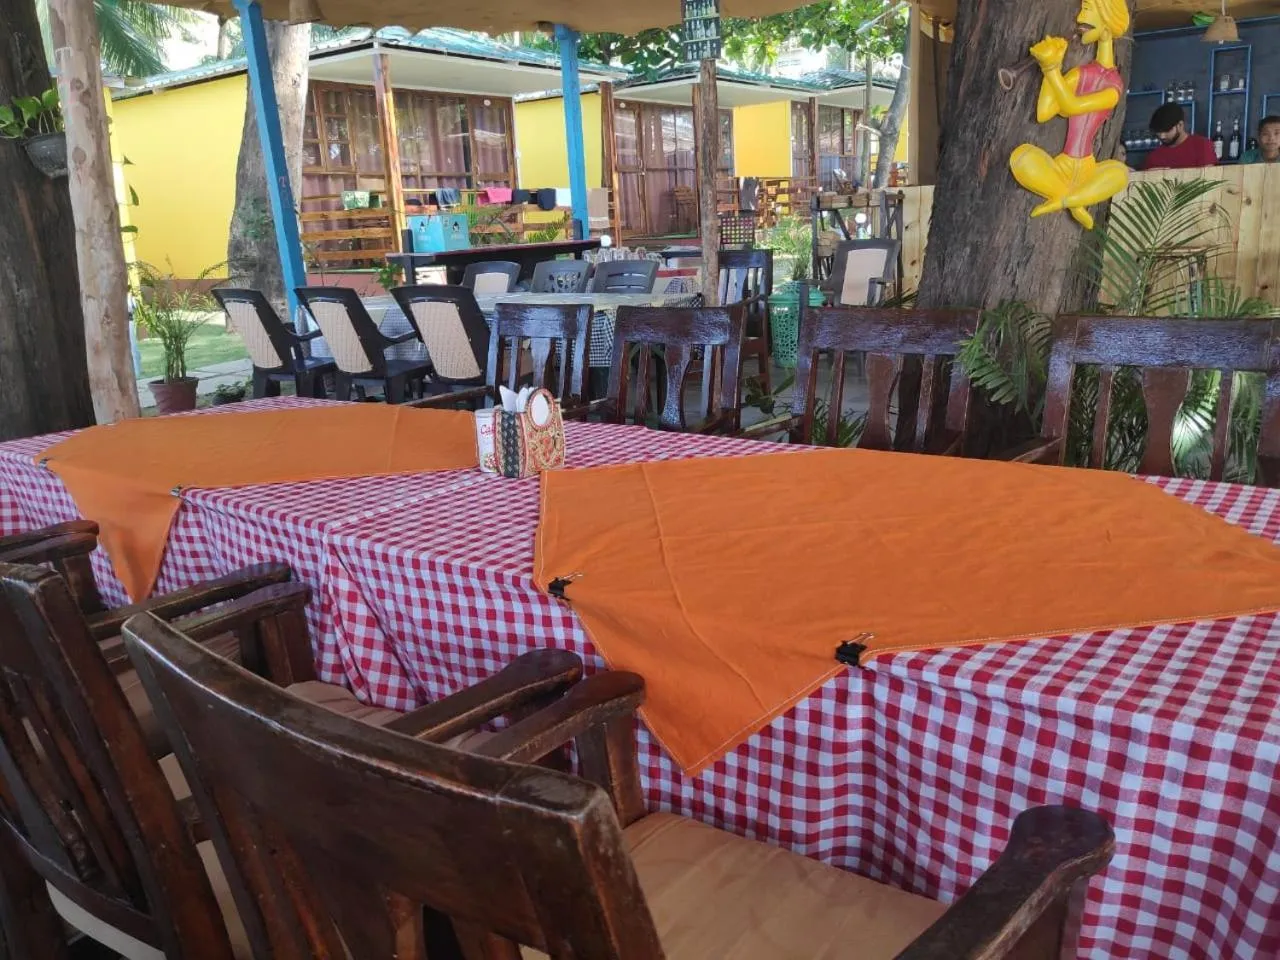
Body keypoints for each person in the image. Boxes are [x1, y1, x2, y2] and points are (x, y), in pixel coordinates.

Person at [1144, 103, 1218, 170]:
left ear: (1180, 125)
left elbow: (1208, 180)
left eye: (1167, 130)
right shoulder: (1153, 157)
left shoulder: (1202, 145)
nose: (1162, 136)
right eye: (1159, 132)